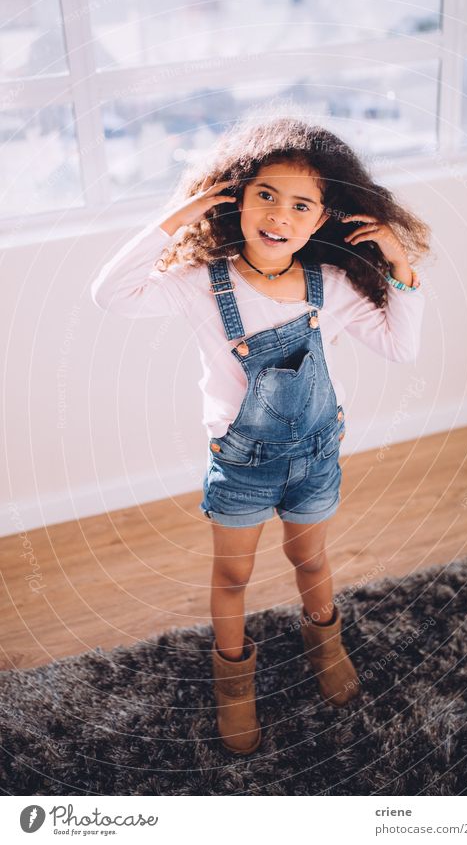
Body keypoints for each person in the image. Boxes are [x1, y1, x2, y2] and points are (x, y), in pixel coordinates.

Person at [91, 114, 430, 756]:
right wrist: (176, 215)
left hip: (314, 457)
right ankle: (234, 686)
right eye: (266, 195)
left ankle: (325, 646)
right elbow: (111, 293)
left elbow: (401, 348)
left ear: (324, 218)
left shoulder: (329, 287)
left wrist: (397, 258)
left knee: (311, 559)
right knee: (232, 574)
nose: (279, 214)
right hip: (241, 464)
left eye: (301, 204)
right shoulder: (198, 282)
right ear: (238, 198)